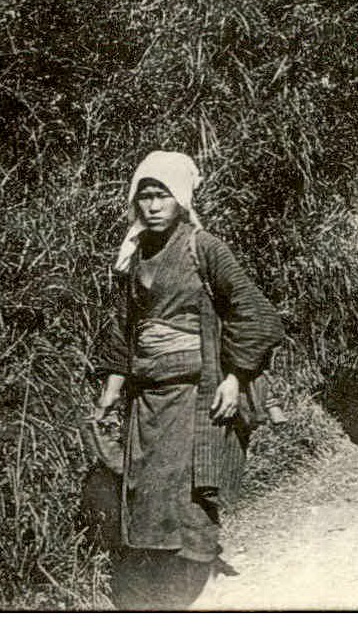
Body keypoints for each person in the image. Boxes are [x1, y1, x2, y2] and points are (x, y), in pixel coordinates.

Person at [91, 151, 284, 610]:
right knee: (145, 490)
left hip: (195, 392)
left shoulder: (204, 247)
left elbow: (256, 314)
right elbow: (125, 327)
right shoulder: (135, 254)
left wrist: (234, 378)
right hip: (148, 395)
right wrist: (110, 393)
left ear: (181, 199)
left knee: (188, 489)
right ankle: (159, 579)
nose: (153, 206)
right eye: (145, 197)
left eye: (163, 196)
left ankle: (189, 579)